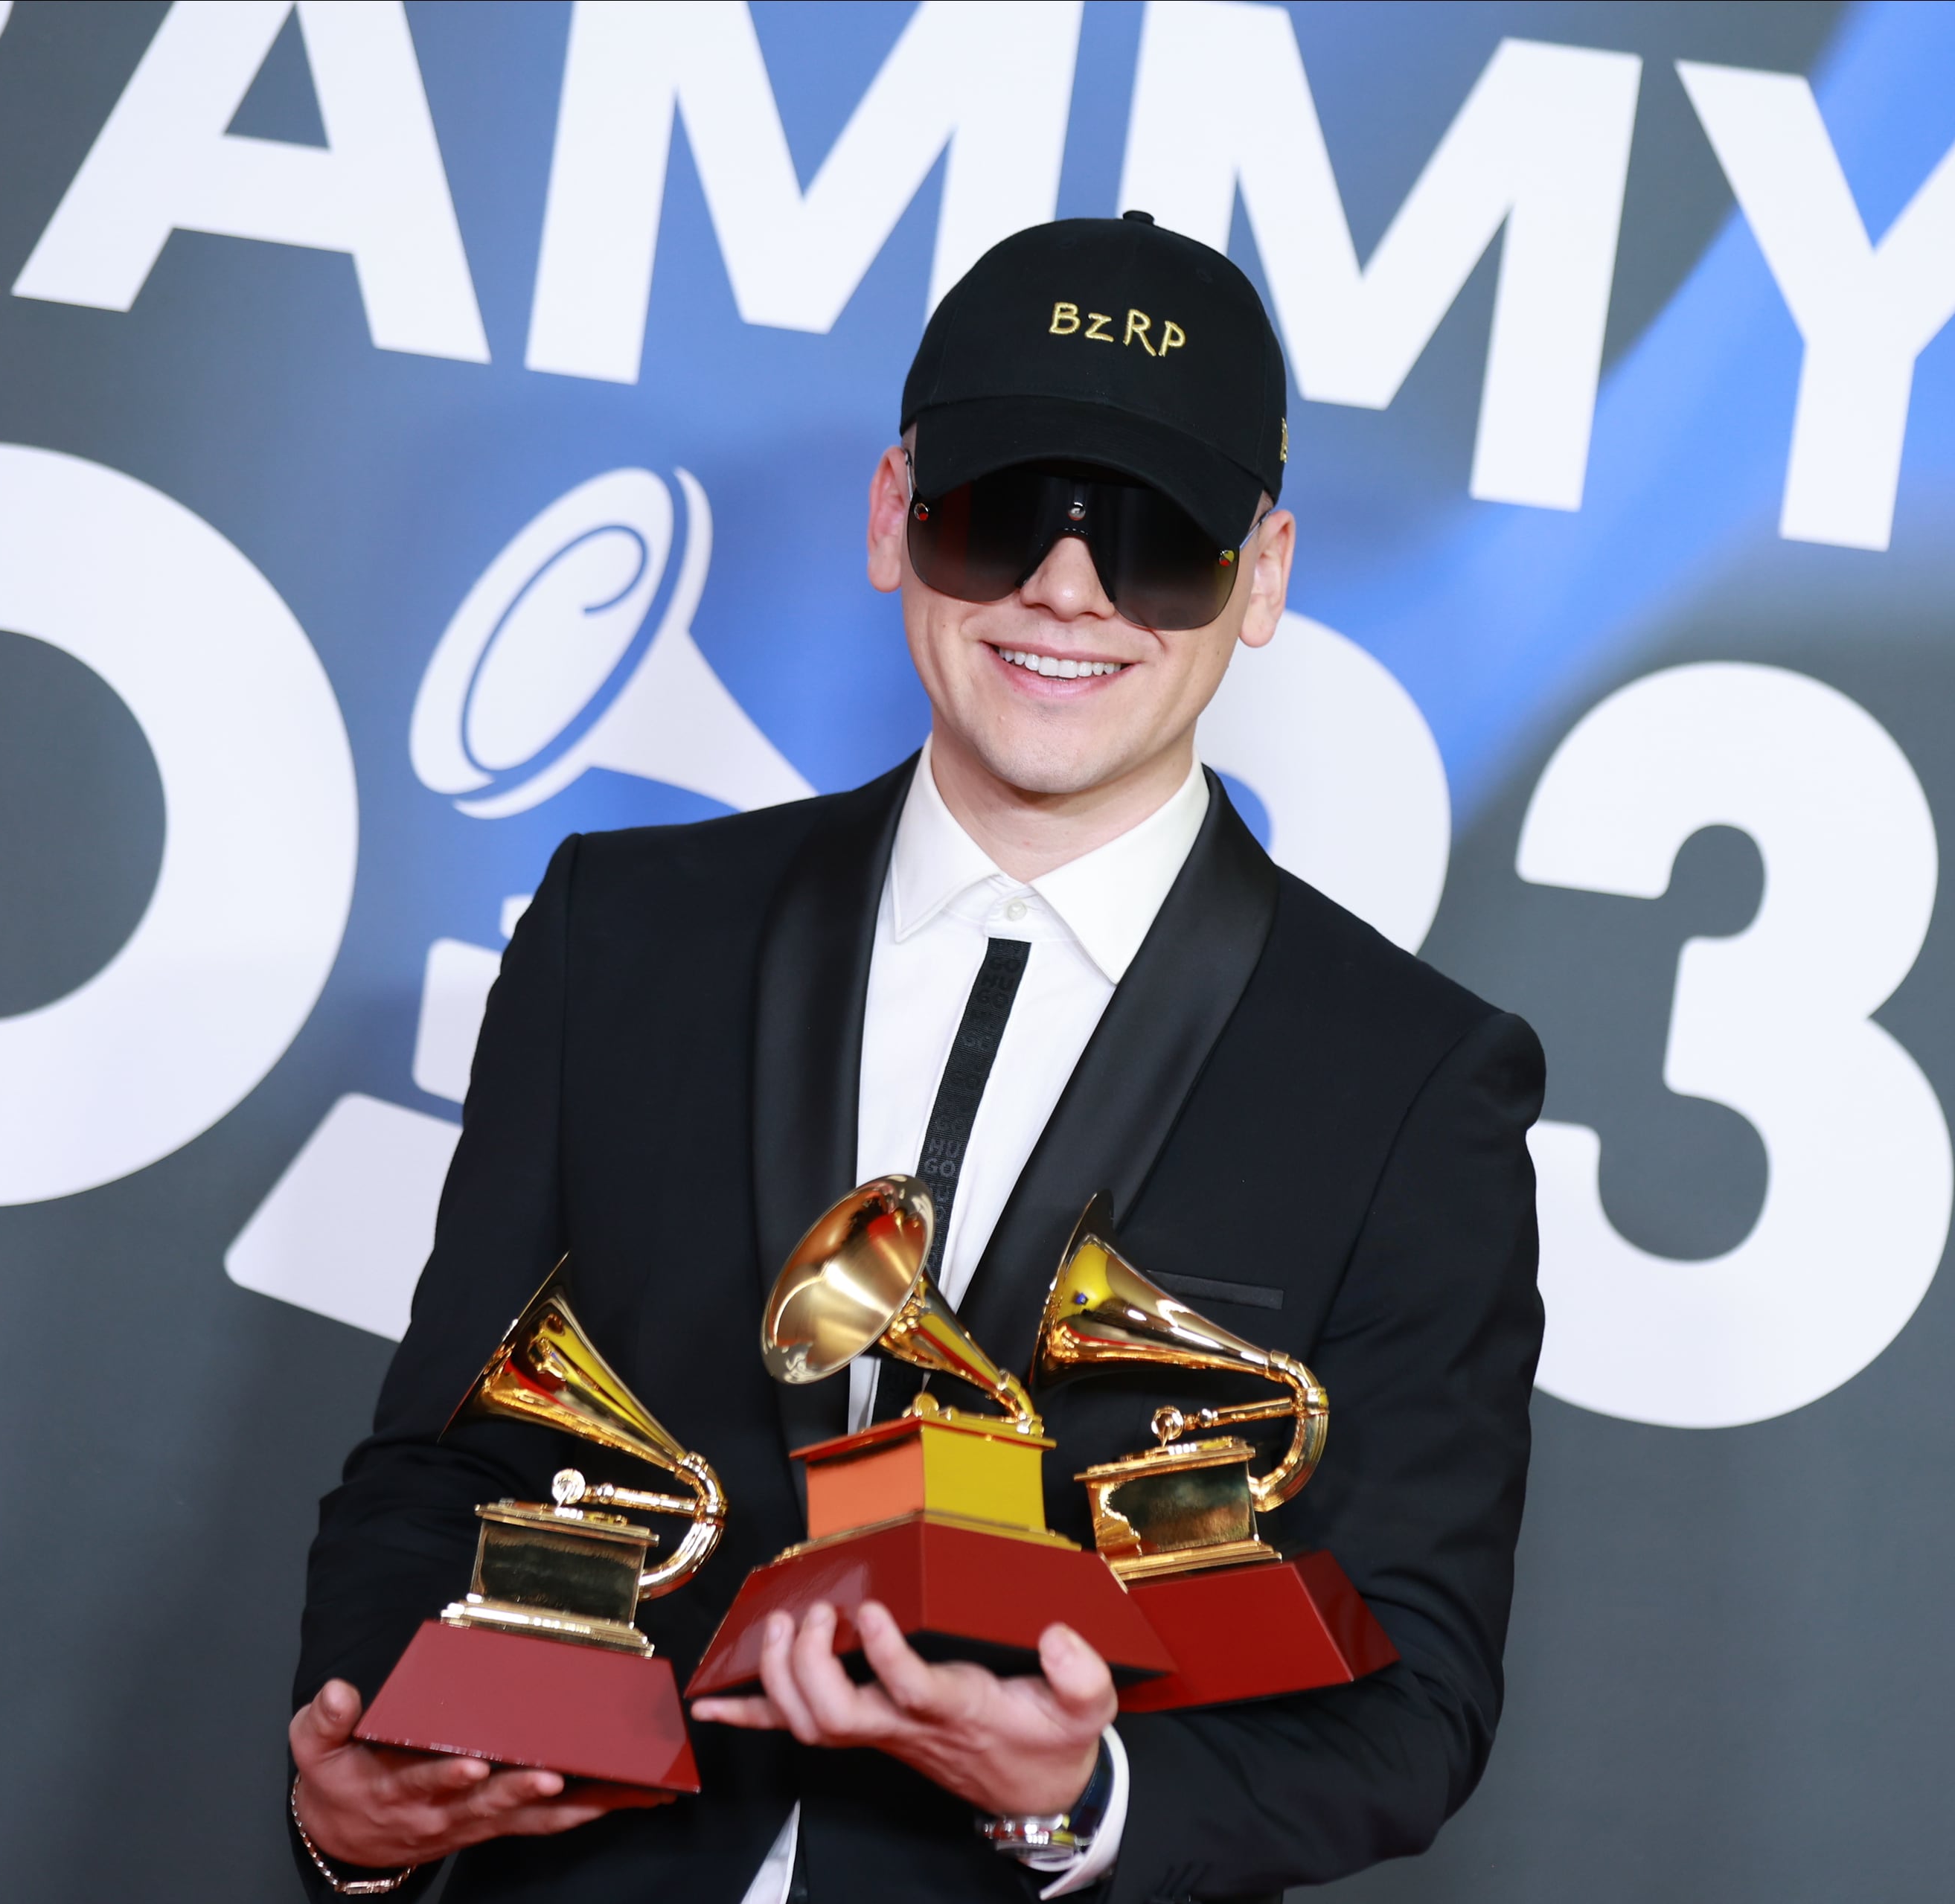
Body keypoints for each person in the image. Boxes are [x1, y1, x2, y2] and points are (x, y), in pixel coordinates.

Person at [287, 212, 1543, 1903]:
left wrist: (1081, 1793)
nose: (1068, 589)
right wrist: (363, 1790)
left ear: (1263, 577)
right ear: (895, 518)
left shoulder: (1413, 1080)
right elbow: (441, 1465)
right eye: (1005, 509)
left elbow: (1419, 1696)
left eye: (1158, 537)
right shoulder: (622, 936)